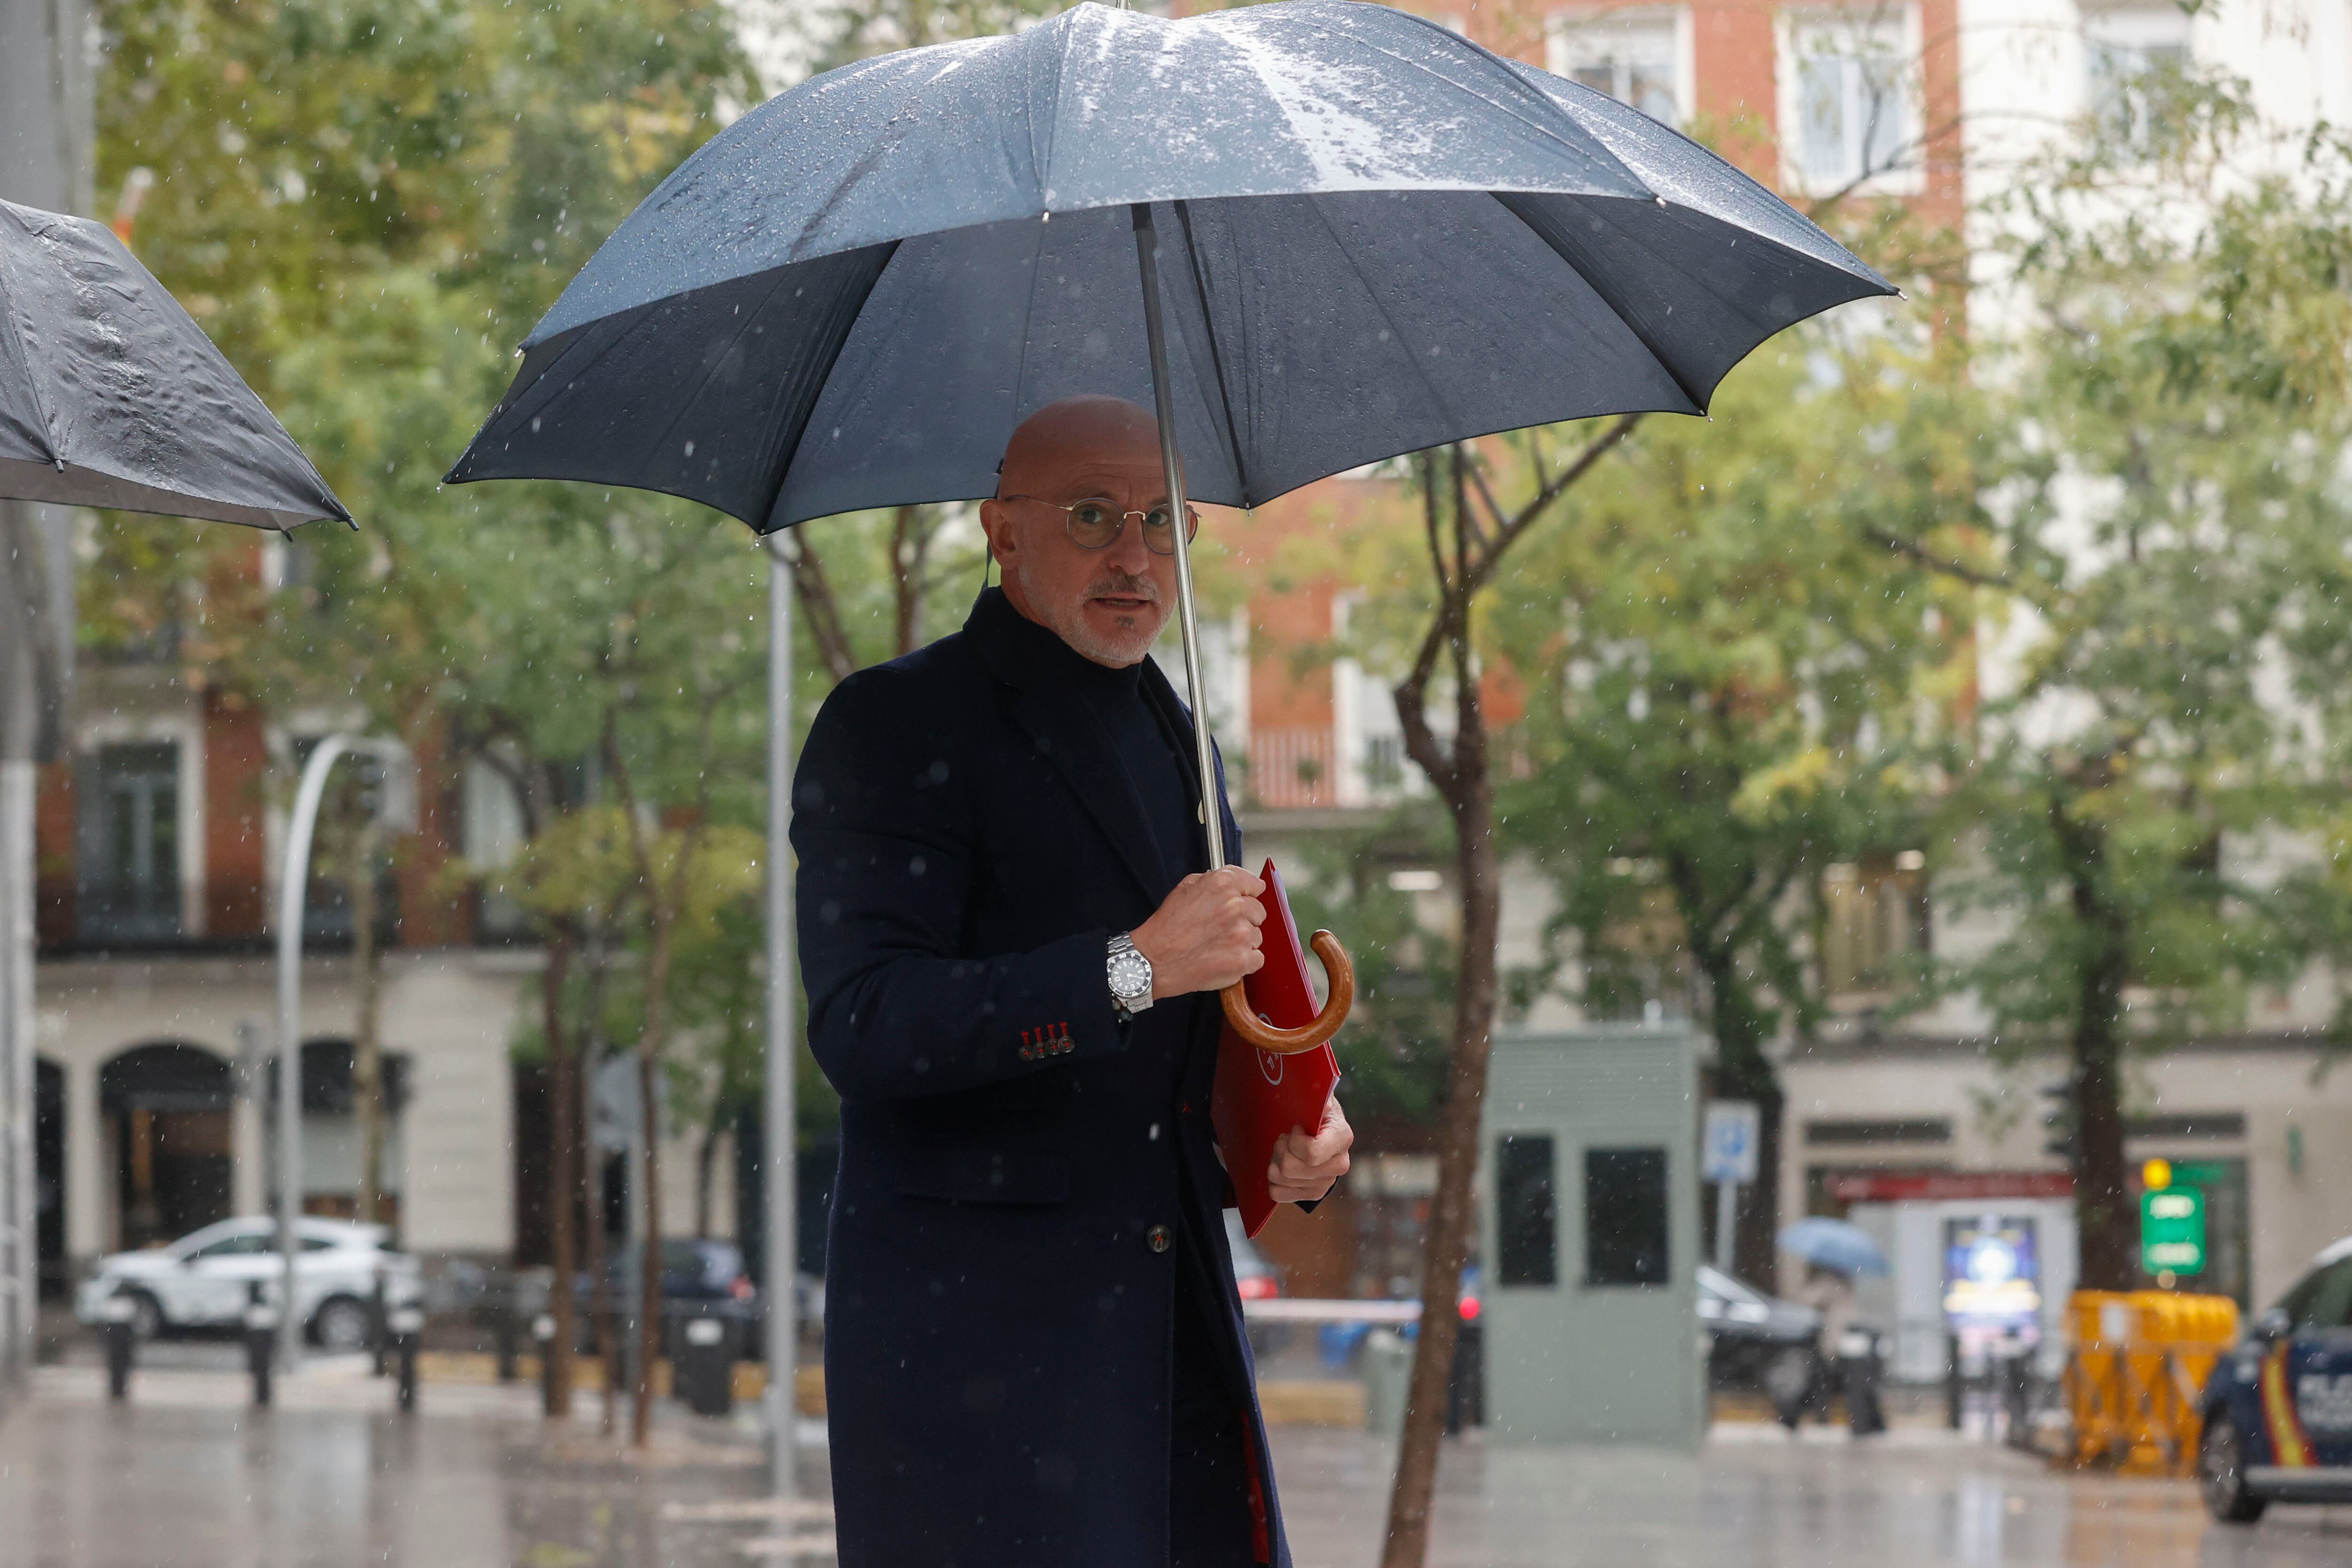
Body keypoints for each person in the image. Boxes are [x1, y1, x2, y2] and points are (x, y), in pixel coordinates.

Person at [793, 395, 1355, 1568]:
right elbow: (867, 1024)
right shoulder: (893, 723)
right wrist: (1132, 966)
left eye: (1162, 518)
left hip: (1169, 1331)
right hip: (978, 1359)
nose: (1134, 554)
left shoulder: (1181, 741)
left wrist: (1285, 1142)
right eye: (1094, 514)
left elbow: (1196, 1058)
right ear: (1001, 532)